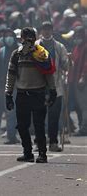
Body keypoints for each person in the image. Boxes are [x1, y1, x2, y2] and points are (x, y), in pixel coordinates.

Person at [5, 27, 57, 163]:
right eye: (25, 37)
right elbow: (10, 75)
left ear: (34, 38)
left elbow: (49, 73)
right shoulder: (16, 55)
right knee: (22, 126)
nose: (28, 40)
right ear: (21, 39)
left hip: (38, 93)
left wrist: (52, 90)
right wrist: (8, 94)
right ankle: (27, 152)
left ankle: (42, 154)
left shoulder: (41, 54)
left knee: (39, 125)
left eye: (30, 37)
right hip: (22, 94)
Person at [39, 21, 69, 151]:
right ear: (41, 31)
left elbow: (65, 66)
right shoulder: (35, 46)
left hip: (55, 87)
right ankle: (39, 143)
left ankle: (53, 143)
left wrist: (69, 60)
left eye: (49, 29)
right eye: (44, 29)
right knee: (38, 117)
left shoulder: (59, 47)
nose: (46, 31)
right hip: (38, 86)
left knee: (53, 117)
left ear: (52, 30)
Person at [70, 26, 87, 136]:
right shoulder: (77, 47)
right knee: (78, 105)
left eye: (79, 34)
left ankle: (84, 128)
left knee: (84, 105)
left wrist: (83, 77)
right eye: (76, 35)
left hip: (82, 80)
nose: (77, 37)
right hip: (75, 79)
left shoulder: (85, 47)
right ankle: (82, 125)